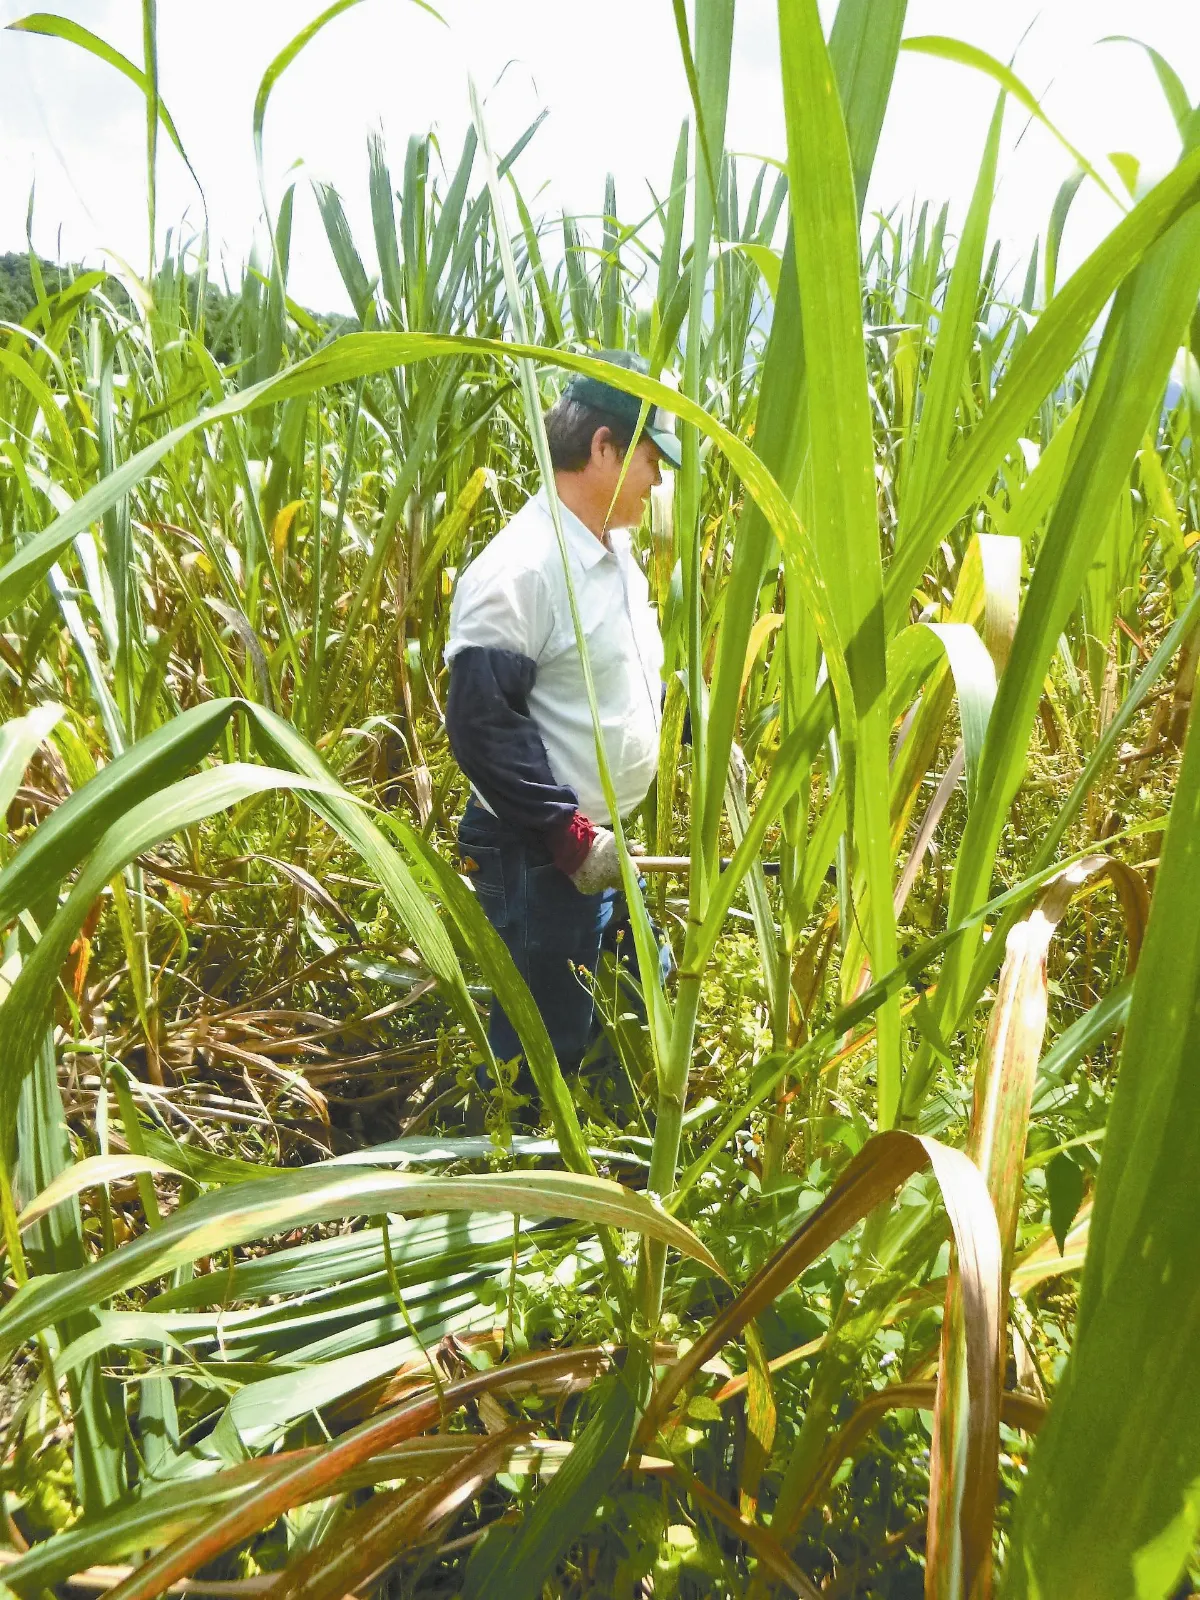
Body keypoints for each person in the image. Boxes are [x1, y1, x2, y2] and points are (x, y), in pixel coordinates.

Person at [445, 350, 680, 1115]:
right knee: (541, 1047)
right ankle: (524, 1210)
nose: (657, 479)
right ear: (605, 448)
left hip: (594, 842)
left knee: (645, 986)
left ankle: (610, 1161)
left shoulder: (613, 557)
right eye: (650, 458)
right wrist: (567, 832)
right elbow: (484, 726)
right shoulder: (524, 566)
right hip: (538, 854)